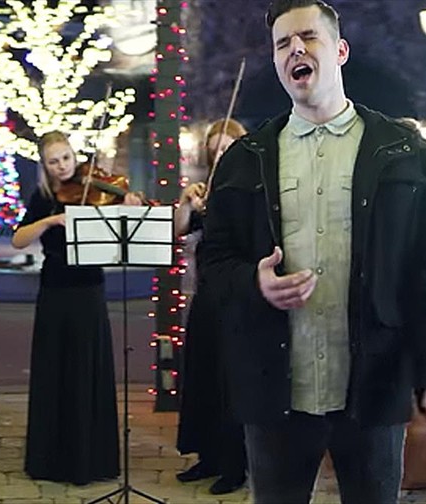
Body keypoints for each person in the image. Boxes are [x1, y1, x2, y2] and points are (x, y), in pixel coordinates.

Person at [201, 1, 426, 503]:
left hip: (374, 387)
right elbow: (213, 261)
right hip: (276, 391)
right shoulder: (245, 159)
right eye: (282, 43)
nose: (295, 49)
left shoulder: (407, 154)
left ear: (340, 50)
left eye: (308, 37)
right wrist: (254, 282)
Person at [12, 131, 141, 485]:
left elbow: (121, 229)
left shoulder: (96, 186)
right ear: (45, 165)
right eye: (53, 161)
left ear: (74, 154)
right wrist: (50, 221)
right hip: (54, 290)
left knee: (87, 369)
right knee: (55, 370)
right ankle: (52, 459)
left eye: (66, 158)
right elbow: (19, 239)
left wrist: (129, 206)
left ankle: (91, 459)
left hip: (89, 290)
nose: (62, 166)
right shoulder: (43, 197)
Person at [174, 119, 248, 495]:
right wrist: (187, 201)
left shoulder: (250, 188)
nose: (221, 155)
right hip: (205, 294)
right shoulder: (207, 189)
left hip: (236, 296)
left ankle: (235, 466)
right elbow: (179, 230)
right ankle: (207, 456)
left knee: (229, 381)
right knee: (202, 374)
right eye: (215, 149)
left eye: (228, 147)